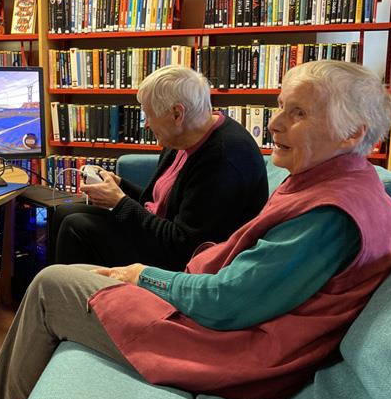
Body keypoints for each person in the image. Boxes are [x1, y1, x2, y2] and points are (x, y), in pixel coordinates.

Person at [0, 60, 391, 399]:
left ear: (353, 132)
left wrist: (143, 275)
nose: (275, 124)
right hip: (221, 316)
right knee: (69, 259)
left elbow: (226, 302)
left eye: (297, 113)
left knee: (53, 285)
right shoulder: (333, 184)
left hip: (231, 345)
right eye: (280, 106)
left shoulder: (329, 215)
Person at [53, 64, 268, 271]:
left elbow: (183, 246)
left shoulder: (223, 159)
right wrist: (121, 186)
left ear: (177, 114)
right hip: (162, 235)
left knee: (76, 227)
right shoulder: (183, 136)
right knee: (65, 211)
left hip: (182, 260)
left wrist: (120, 202)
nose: (146, 124)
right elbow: (160, 203)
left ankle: (76, 292)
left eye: (149, 114)